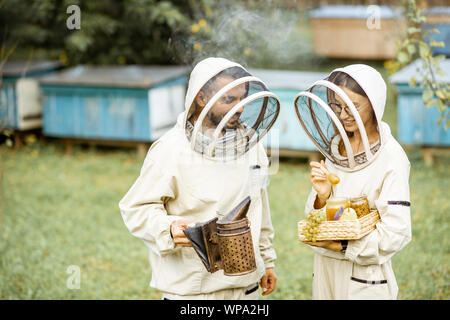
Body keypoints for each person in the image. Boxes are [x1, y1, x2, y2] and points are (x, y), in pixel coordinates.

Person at [119, 57, 280, 300]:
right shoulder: (169, 150)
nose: (239, 107)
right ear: (202, 97)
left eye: (242, 98)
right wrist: (169, 229)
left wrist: (267, 260)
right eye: (229, 99)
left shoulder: (251, 146)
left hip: (247, 287)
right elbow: (136, 208)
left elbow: (259, 205)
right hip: (194, 293)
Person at [296, 64, 411, 299]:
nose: (343, 115)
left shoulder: (392, 157)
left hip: (364, 276)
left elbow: (396, 232)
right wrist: (323, 196)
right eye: (337, 106)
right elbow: (314, 219)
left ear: (374, 106)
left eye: (352, 107)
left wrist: (345, 247)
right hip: (325, 269)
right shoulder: (336, 149)